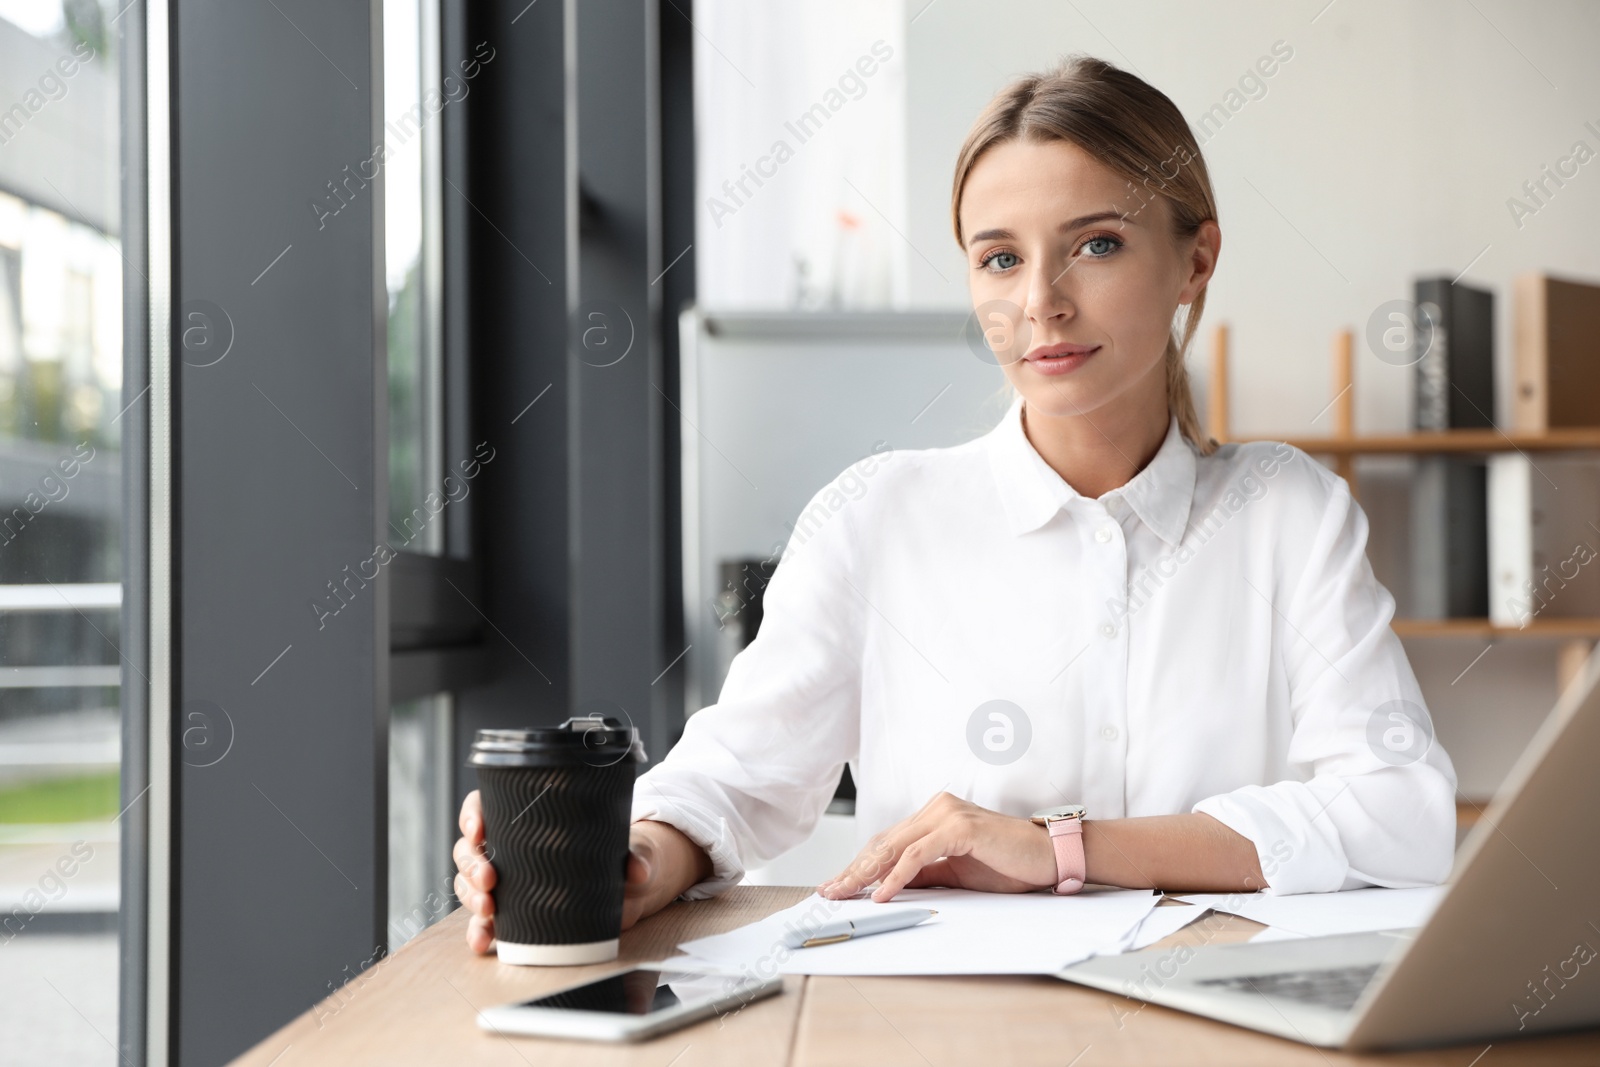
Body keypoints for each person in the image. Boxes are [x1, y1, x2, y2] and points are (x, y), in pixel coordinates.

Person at [453, 54, 1457, 955]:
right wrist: (633, 858)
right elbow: (733, 779)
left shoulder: (1287, 512)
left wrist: (1053, 849)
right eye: (1000, 257)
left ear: (1195, 260)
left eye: (1096, 244)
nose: (1041, 303)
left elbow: (1400, 810)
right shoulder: (875, 517)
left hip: (1219, 1016)